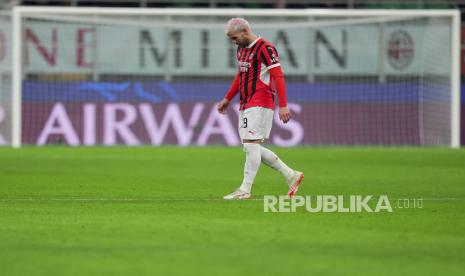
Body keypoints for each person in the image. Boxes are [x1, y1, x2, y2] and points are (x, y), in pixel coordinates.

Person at [217, 18, 304, 200]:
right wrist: (227, 98)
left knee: (250, 145)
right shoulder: (241, 49)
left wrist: (283, 104)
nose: (233, 42)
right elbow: (241, 75)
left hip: (261, 101)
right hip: (246, 101)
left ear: (245, 32)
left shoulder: (266, 48)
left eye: (234, 38)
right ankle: (291, 175)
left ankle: (245, 190)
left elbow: (278, 76)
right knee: (251, 146)